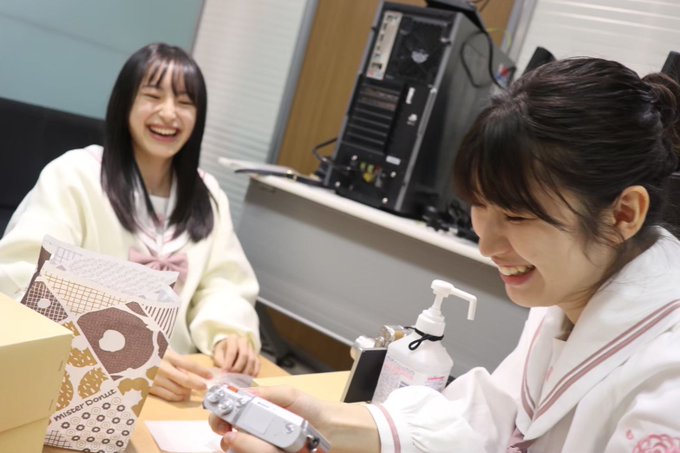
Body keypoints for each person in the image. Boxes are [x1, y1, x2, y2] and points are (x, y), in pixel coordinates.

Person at [209, 57, 680, 452]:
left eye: (517, 216)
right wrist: (324, 421)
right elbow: (489, 420)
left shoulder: (668, 373)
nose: (487, 246)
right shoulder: (570, 295)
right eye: (479, 205)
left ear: (623, 214)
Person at [0, 43, 262, 402]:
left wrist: (228, 333)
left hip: (182, 383)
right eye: (153, 96)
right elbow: (26, 277)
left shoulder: (208, 193)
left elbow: (223, 282)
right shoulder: (75, 175)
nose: (169, 113)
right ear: (124, 103)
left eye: (185, 102)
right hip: (81, 382)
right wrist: (128, 359)